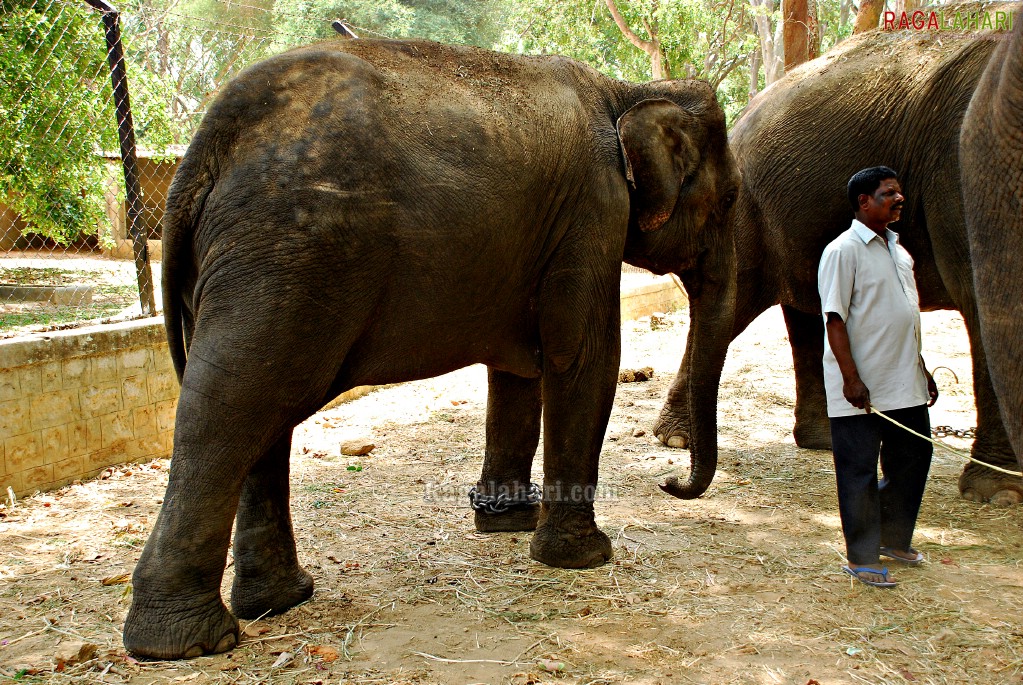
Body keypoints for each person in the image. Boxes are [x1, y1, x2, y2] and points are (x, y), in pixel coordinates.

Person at [818, 166, 939, 588]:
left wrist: (920, 367)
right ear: (863, 201)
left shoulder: (899, 252)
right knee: (859, 471)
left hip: (904, 382)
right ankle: (863, 557)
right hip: (861, 390)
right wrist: (850, 379)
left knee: (915, 459)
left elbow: (905, 317)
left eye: (899, 193)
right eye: (889, 193)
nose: (898, 199)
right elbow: (835, 319)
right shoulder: (842, 251)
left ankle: (892, 537)